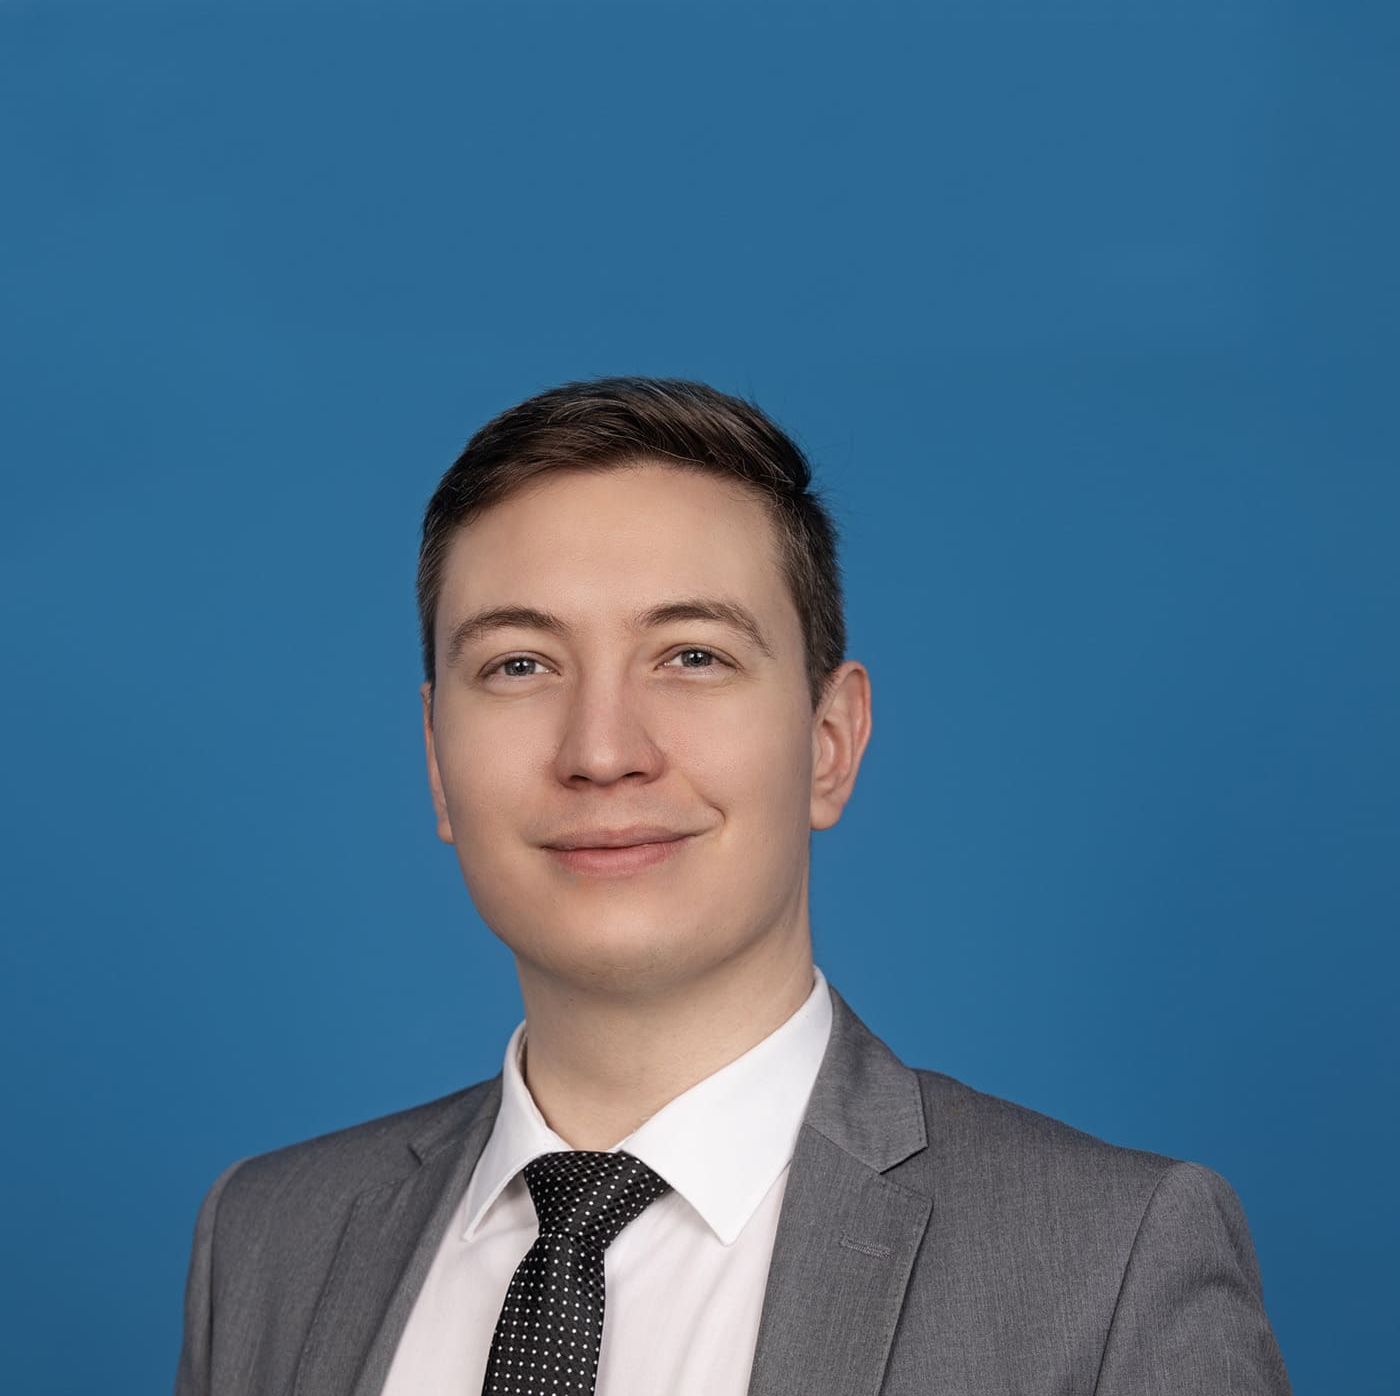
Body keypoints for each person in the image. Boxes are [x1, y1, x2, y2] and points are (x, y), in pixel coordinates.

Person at [174, 377, 1292, 1396]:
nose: (601, 749)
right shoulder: (269, 1239)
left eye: (691, 655)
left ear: (828, 741)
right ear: (434, 758)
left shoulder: (1106, 1260)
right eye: (519, 664)